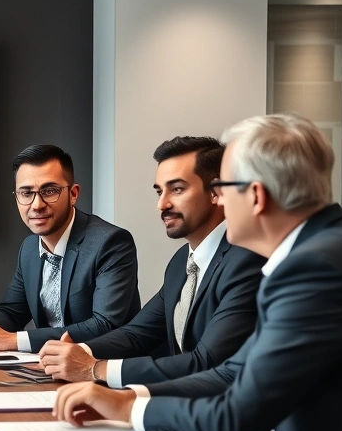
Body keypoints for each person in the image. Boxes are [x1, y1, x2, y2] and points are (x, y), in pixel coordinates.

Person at [53, 114, 342, 431]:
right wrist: (124, 400)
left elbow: (234, 419)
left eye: (223, 187)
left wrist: (128, 408)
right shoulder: (324, 250)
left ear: (257, 196)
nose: (219, 199)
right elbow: (234, 372)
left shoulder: (316, 269)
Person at [39, 137, 265, 386]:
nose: (162, 204)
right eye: (160, 191)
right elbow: (137, 334)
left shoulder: (247, 260)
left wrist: (96, 369)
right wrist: (79, 351)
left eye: (177, 189)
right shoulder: (182, 261)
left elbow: (207, 362)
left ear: (216, 191)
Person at [0, 145, 140, 354]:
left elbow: (105, 325)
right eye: (26, 193)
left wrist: (14, 340)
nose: (36, 205)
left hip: (105, 370)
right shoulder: (29, 247)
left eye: (49, 191)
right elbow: (12, 311)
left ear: (73, 194)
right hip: (49, 368)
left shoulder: (111, 242)